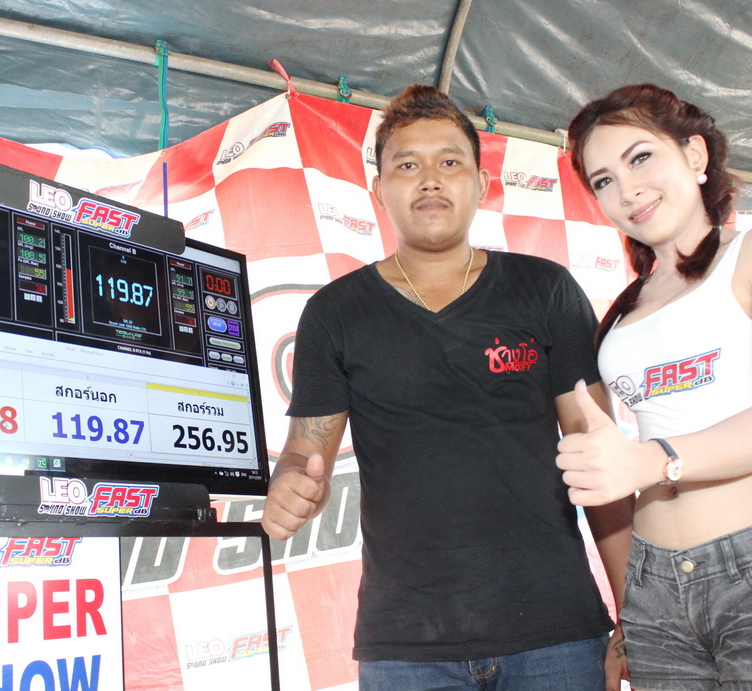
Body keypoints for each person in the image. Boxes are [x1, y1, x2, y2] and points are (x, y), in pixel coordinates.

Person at [261, 83, 631, 690]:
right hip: (406, 648)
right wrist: (292, 486)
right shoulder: (335, 313)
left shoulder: (546, 290)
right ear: (378, 190)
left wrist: (635, 614)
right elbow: (306, 454)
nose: (430, 180)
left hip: (558, 635)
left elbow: (604, 466)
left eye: (450, 162)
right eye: (407, 165)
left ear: (481, 185)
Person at [557, 83, 752, 690]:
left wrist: (649, 461)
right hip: (657, 593)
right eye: (603, 180)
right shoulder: (626, 309)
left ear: (696, 155)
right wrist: (629, 611)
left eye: (640, 158)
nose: (627, 189)